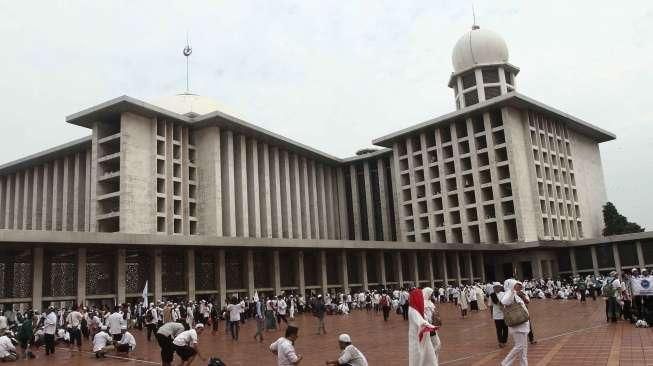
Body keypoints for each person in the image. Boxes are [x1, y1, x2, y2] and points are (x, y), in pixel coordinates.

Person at [500, 279, 529, 366]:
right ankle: (505, 363)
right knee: (519, 346)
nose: (519, 286)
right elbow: (504, 302)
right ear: (511, 286)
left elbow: (528, 300)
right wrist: (512, 290)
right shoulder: (509, 294)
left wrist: (522, 294)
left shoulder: (517, 294)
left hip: (523, 324)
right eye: (516, 285)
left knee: (523, 350)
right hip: (518, 326)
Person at [407, 288, 437, 366]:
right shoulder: (412, 310)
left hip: (425, 338)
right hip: (417, 339)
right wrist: (431, 327)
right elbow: (421, 322)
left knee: (429, 356)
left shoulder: (418, 308)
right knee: (419, 357)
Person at [422, 287, 442, 360]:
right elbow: (426, 317)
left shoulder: (429, 302)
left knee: (435, 344)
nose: (432, 295)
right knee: (436, 344)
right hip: (428, 327)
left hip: (432, 327)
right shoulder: (424, 304)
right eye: (431, 294)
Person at [490, 282, 508, 348]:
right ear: (493, 288)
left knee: (505, 329)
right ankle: (500, 342)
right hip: (496, 315)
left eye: (498, 287)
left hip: (504, 314)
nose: (497, 288)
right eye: (495, 287)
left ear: (500, 287)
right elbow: (491, 305)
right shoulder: (492, 295)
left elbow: (507, 303)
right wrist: (491, 314)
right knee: (499, 329)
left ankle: (504, 341)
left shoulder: (504, 294)